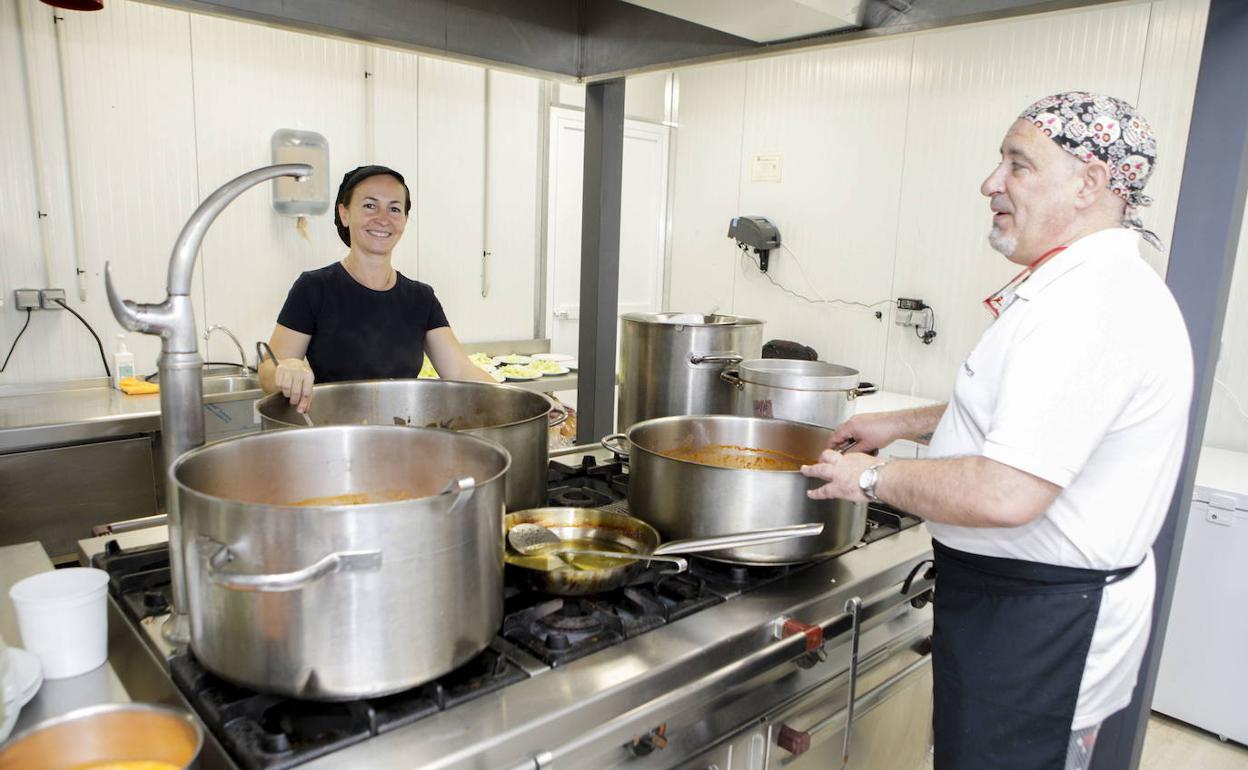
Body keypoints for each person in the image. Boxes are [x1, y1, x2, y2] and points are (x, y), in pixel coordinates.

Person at [800, 92, 1193, 770]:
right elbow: (1029, 419)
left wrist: (869, 477)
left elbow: (1007, 491)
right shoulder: (1074, 286)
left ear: (1090, 182)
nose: (991, 183)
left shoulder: (1091, 305)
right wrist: (901, 424)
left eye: (1018, 164)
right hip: (1014, 604)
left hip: (1044, 623)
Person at [259, 165, 494, 411]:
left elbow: (460, 370)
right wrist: (285, 368)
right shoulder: (314, 288)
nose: (383, 219)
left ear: (404, 220)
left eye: (394, 209)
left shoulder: (421, 298)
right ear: (344, 214)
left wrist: (511, 400)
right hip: (333, 430)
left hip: (403, 428)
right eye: (370, 206)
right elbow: (267, 372)